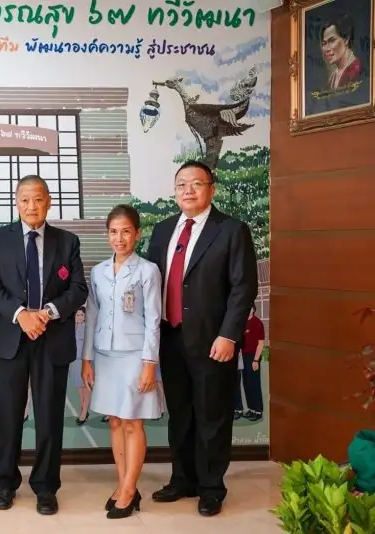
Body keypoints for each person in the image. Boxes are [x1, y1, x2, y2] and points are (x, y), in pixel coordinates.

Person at [145, 160, 258, 517]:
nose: (188, 190)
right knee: (180, 414)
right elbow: (150, 283)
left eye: (196, 183)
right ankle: (183, 479)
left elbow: (243, 287)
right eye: (181, 184)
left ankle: (211, 487)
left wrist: (229, 335)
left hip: (213, 341)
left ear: (212, 188)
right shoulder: (163, 230)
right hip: (170, 337)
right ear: (174, 191)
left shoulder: (231, 230)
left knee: (212, 415)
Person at [0, 174, 88, 515]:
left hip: (52, 338)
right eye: (25, 199)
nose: (31, 206)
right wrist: (20, 314)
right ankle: (5, 483)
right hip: (12, 338)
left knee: (49, 416)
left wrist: (49, 312)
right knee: (7, 416)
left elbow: (78, 289)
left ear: (49, 201)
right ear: (17, 202)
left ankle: (45, 486)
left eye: (38, 199)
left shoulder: (67, 241)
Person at [81, 204, 164, 519]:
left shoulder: (147, 270)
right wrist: (87, 358)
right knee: (115, 421)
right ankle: (123, 484)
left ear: (137, 234)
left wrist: (149, 363)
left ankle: (129, 489)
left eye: (126, 231)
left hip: (134, 356)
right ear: (107, 235)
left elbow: (153, 320)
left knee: (132, 422)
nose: (119, 238)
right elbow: (92, 316)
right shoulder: (99, 272)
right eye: (114, 232)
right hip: (105, 355)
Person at [234, 304, 265, 422]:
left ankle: (257, 410)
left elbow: (261, 343)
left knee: (253, 383)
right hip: (239, 355)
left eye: (250, 307)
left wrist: (256, 360)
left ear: (253, 309)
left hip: (252, 356)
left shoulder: (257, 323)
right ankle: (243, 409)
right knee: (241, 383)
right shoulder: (240, 322)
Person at [68, 307, 89, 424]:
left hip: (83, 360)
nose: (80, 317)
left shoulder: (86, 328)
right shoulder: (71, 328)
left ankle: (84, 412)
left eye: (82, 315)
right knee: (79, 387)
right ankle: (83, 407)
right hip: (73, 361)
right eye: (78, 315)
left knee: (85, 387)